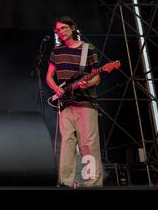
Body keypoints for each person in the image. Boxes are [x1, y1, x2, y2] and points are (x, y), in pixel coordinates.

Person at [45, 16, 103, 187]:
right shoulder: (56, 51)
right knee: (67, 142)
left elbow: (97, 77)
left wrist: (88, 82)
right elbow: (49, 77)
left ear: (72, 28)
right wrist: (56, 89)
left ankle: (91, 182)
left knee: (88, 144)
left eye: (63, 28)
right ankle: (67, 181)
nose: (61, 31)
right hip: (65, 104)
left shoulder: (88, 49)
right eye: (58, 29)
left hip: (85, 102)